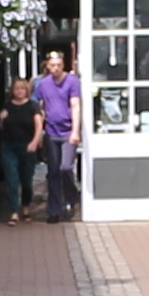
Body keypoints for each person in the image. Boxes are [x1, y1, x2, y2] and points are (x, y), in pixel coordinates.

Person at [31, 49, 83, 222]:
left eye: (59, 65)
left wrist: (75, 131)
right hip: (51, 132)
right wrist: (38, 133)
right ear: (47, 66)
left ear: (63, 65)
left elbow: (75, 105)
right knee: (53, 171)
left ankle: (71, 198)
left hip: (67, 131)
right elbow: (39, 108)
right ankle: (54, 210)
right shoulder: (43, 84)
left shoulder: (72, 81)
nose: (56, 68)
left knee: (65, 168)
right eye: (52, 65)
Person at [0, 74, 41, 222]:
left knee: (26, 180)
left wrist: (35, 142)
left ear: (26, 91)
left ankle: (25, 207)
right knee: (12, 180)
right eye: (16, 89)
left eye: (22, 89)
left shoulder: (32, 106)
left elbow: (39, 125)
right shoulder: (7, 106)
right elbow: (1, 128)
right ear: (12, 91)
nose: (19, 92)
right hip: (9, 147)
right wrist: (1, 119)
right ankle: (14, 211)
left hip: (27, 146)